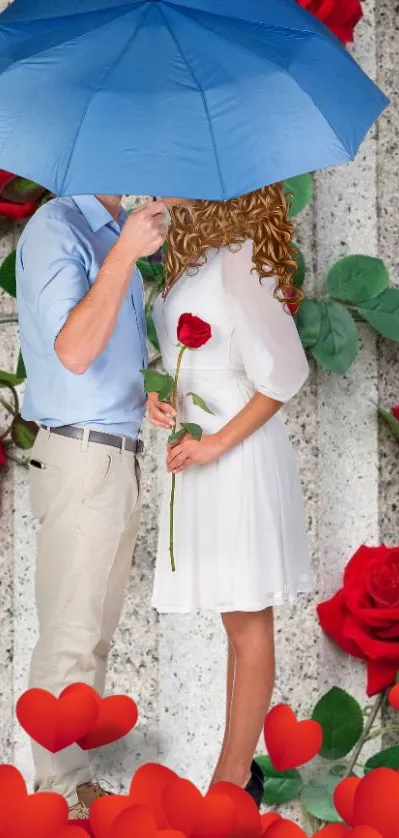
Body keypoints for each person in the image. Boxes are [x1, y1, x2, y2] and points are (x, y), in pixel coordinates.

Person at [148, 186, 311, 807]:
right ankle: (233, 774)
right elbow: (190, 360)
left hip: (236, 456)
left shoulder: (241, 255)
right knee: (233, 619)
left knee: (248, 621)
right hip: (197, 451)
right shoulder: (189, 256)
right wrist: (159, 395)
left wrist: (217, 444)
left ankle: (230, 781)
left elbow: (282, 377)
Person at [16, 194, 168, 819]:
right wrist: (126, 255)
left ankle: (73, 786)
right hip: (81, 456)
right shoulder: (58, 227)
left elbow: (98, 365)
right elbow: (73, 351)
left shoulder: (110, 232)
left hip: (117, 451)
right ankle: (55, 798)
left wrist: (145, 399)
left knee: (95, 637)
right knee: (72, 635)